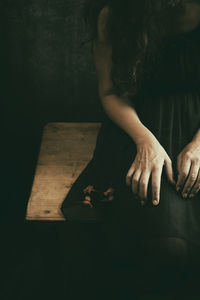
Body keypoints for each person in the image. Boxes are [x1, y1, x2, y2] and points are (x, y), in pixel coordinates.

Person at [61, 0, 200, 297]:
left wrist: (199, 145)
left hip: (198, 124)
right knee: (169, 244)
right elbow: (109, 91)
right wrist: (145, 141)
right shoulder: (113, 14)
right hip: (137, 121)